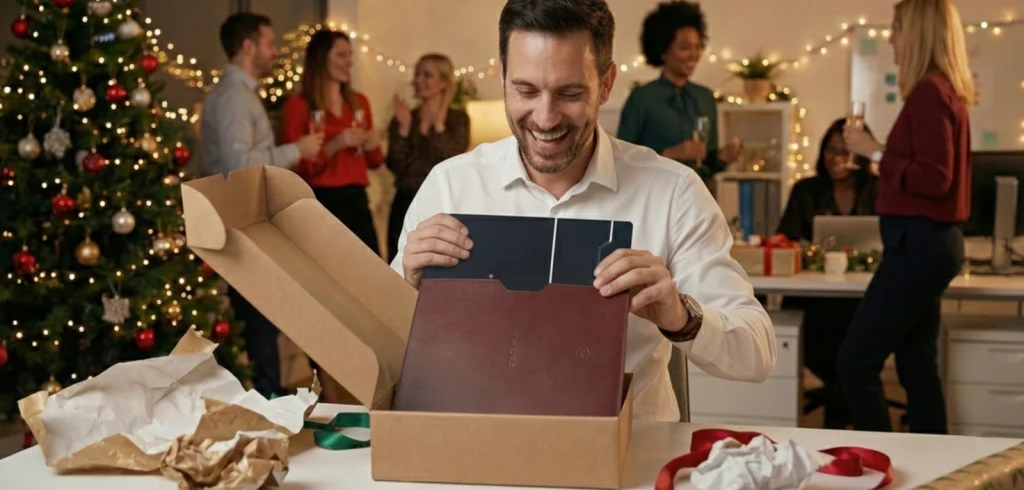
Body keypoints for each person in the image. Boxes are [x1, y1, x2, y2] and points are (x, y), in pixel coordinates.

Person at [391, 0, 776, 422]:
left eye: (569, 93)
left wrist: (679, 315)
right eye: (525, 90)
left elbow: (758, 353)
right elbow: (382, 352)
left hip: (633, 461)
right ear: (502, 77)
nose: (544, 117)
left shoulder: (674, 192)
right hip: (476, 449)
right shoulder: (450, 185)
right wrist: (404, 288)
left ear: (606, 84)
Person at [839, 0, 974, 434]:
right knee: (917, 365)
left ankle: (881, 463)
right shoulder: (944, 90)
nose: (892, 40)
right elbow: (925, 170)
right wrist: (878, 150)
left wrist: (872, 151)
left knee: (855, 363)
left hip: (919, 246)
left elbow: (935, 178)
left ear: (916, 33)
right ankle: (935, 471)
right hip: (930, 245)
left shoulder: (930, 92)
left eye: (896, 30)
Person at [201, 12, 323, 398]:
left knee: (263, 316)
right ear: (249, 46)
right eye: (270, 44)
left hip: (242, 224)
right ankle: (271, 402)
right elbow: (238, 167)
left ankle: (273, 399)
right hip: (239, 225)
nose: (274, 52)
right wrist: (295, 150)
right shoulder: (235, 98)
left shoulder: (239, 94)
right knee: (260, 319)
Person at [776, 117, 878, 429]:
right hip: (815, 300)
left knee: (855, 342)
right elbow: (786, 239)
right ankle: (845, 416)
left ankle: (842, 415)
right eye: (831, 151)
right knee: (837, 352)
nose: (837, 159)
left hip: (863, 297)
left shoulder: (878, 190)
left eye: (845, 151)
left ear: (860, 156)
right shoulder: (806, 190)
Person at [281, 29, 384, 255]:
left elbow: (376, 161)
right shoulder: (298, 106)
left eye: (349, 55)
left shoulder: (359, 103)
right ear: (321, 58)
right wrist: (336, 144)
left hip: (357, 201)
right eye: (341, 55)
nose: (349, 63)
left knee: (370, 275)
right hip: (320, 201)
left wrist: (372, 146)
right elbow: (295, 167)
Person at [616, 0, 742, 184]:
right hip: (654, 197)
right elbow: (622, 159)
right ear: (663, 51)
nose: (693, 54)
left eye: (698, 47)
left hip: (697, 199)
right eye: (684, 47)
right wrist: (670, 154)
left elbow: (707, 165)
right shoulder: (642, 98)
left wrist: (724, 157)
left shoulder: (706, 98)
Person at [386, 54, 471, 263]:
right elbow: (395, 165)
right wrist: (404, 130)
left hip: (444, 204)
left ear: (443, 83)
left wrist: (440, 122)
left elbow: (452, 160)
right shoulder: (405, 117)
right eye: (417, 74)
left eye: (427, 75)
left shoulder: (458, 120)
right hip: (405, 203)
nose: (418, 80)